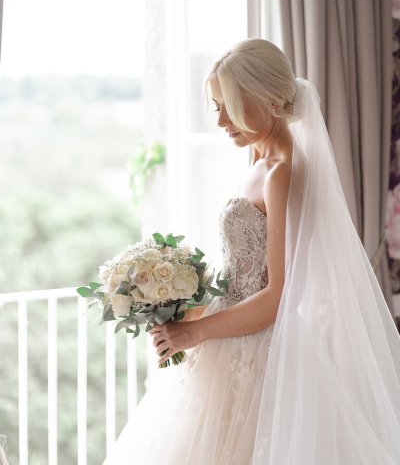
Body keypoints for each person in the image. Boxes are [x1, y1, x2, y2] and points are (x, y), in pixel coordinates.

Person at [104, 39, 400, 464]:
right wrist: (184, 313)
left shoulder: (282, 172)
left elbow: (276, 296)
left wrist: (197, 332)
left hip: (258, 348)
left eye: (231, 105)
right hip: (229, 336)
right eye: (216, 106)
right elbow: (243, 271)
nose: (222, 120)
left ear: (269, 100)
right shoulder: (259, 162)